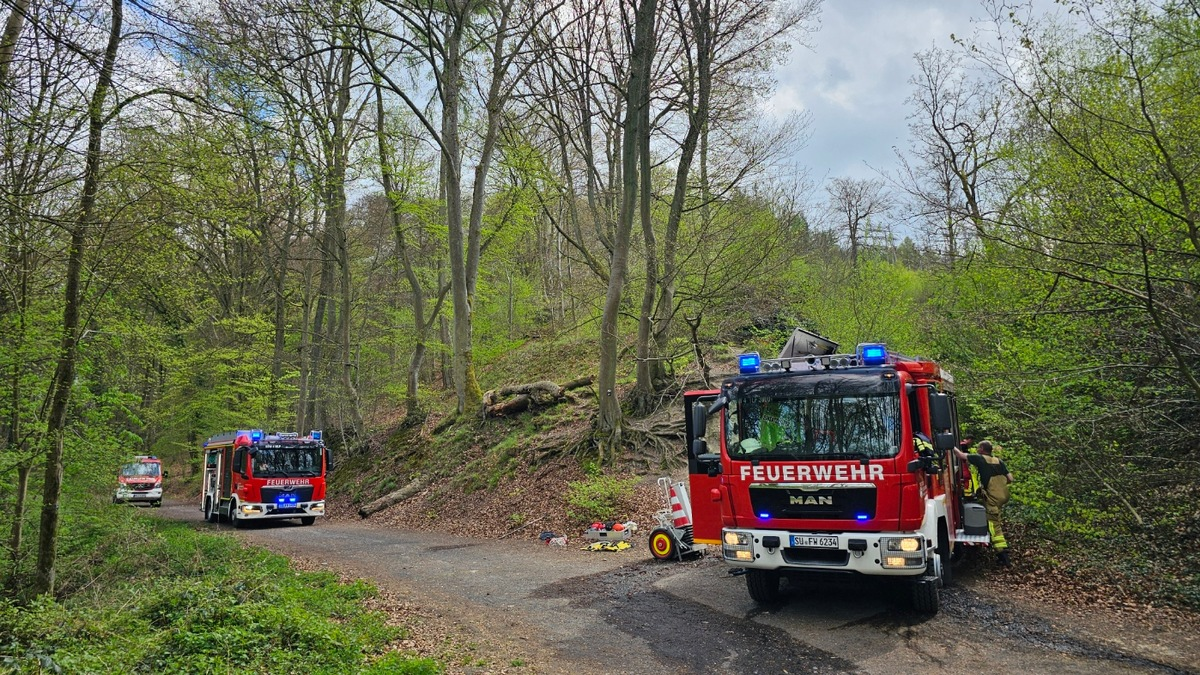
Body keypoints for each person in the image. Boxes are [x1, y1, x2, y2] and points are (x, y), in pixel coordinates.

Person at [955, 440, 1013, 565]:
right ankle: (1002, 551)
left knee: (994, 525)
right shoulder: (999, 461)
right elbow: (1010, 479)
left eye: (978, 447)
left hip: (993, 498)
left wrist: (949, 445)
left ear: (982, 449)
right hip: (1003, 496)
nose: (976, 449)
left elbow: (960, 455)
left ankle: (1002, 554)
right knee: (996, 519)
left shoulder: (980, 459)